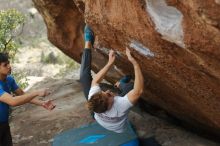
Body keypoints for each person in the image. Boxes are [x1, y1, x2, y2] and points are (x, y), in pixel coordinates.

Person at [80, 25, 144, 133]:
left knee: (84, 77)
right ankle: (121, 85)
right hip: (118, 128)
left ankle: (87, 42)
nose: (108, 92)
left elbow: (95, 81)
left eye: (104, 92)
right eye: (109, 95)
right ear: (110, 105)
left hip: (96, 114)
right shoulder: (119, 107)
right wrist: (134, 62)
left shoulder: (94, 99)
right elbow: (138, 91)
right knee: (131, 87)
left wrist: (109, 63)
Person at [0, 53, 55, 146]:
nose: (9, 66)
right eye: (5, 65)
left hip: (4, 124)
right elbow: (12, 101)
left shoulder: (9, 80)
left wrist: (42, 103)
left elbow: (22, 95)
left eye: (9, 63)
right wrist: (37, 92)